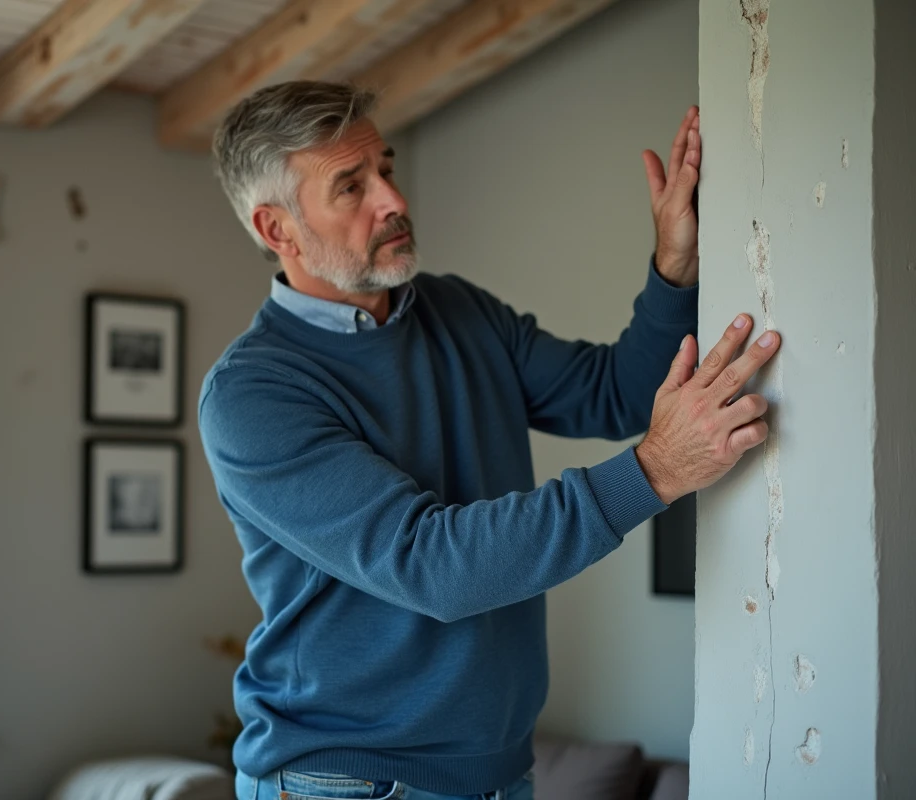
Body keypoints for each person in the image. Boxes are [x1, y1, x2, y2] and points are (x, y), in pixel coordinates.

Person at [198, 81, 780, 800]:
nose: (393, 200)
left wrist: (674, 269)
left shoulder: (457, 310)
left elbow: (616, 393)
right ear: (278, 230)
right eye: (351, 186)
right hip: (341, 782)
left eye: (385, 167)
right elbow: (431, 567)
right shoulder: (253, 394)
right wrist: (656, 470)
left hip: (500, 773)